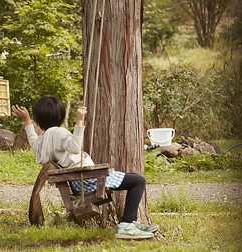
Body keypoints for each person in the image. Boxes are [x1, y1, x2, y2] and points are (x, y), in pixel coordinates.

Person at [12, 95, 159, 240]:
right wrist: (79, 120)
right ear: (61, 116)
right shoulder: (59, 132)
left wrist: (26, 121)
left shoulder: (44, 139)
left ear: (38, 119)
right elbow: (75, 148)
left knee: (133, 179)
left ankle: (131, 221)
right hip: (89, 180)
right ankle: (127, 224)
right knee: (138, 181)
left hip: (81, 182)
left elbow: (33, 143)